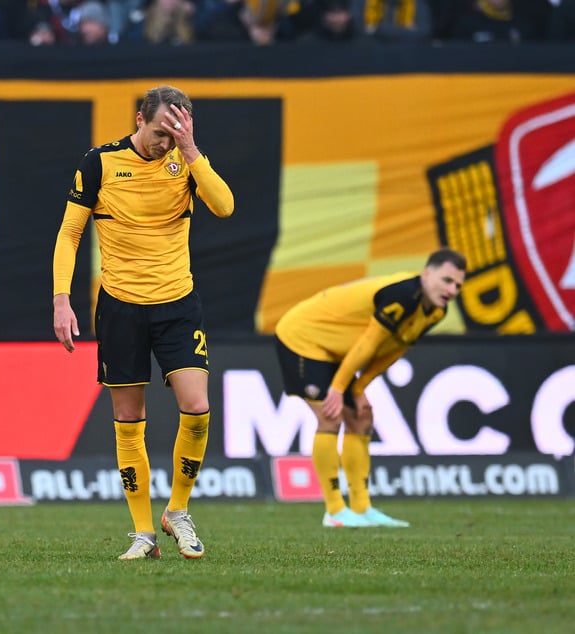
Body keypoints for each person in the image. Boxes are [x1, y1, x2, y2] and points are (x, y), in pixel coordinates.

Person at [52, 85, 235, 560]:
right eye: (159, 132)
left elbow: (225, 206)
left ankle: (177, 511)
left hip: (178, 304)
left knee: (196, 407)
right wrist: (61, 300)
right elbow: (70, 233)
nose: (164, 143)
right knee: (129, 420)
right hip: (121, 308)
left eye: (175, 133)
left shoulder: (186, 162)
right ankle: (143, 533)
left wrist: (191, 151)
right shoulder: (100, 163)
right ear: (139, 119)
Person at [274, 248, 467, 528]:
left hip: (337, 351)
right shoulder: (402, 294)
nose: (452, 290)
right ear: (427, 273)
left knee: (362, 418)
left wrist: (360, 386)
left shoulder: (436, 311)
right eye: (447, 280)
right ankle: (335, 511)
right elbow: (368, 343)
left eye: (458, 285)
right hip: (302, 337)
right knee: (330, 415)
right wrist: (340, 388)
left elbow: (394, 348)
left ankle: (362, 508)